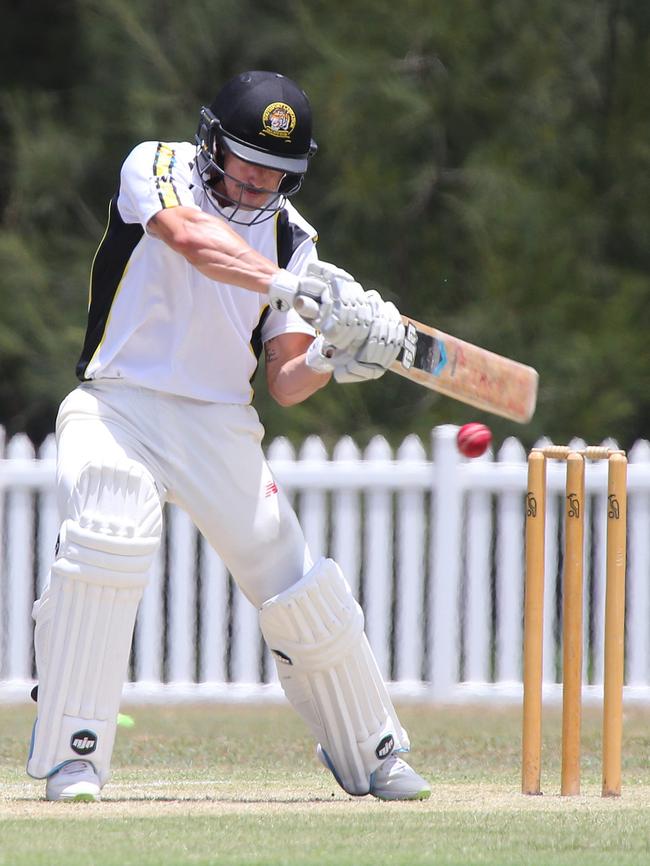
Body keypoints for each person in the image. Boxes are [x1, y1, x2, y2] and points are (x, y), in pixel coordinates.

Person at [26, 70, 431, 803]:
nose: (252, 186)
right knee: (111, 529)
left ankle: (374, 752)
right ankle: (73, 755)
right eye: (243, 165)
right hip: (118, 403)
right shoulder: (156, 165)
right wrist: (292, 288)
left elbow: (283, 378)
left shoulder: (293, 239)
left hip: (219, 423)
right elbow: (190, 239)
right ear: (210, 140)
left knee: (297, 582)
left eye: (273, 175)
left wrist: (335, 357)